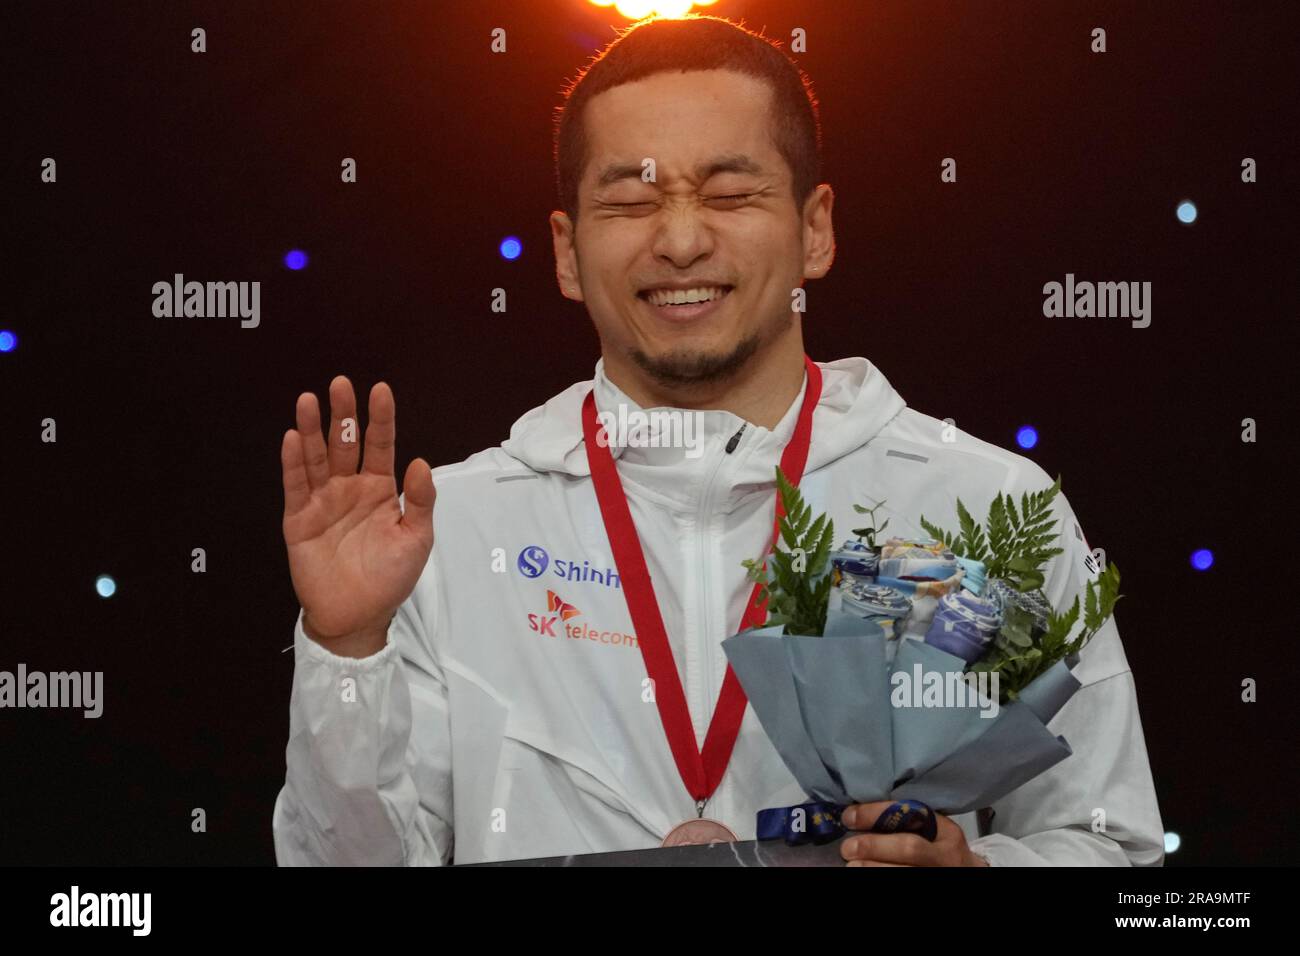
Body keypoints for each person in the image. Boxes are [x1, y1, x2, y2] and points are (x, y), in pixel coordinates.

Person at [272, 15, 1163, 867]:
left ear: (815, 228)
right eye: (630, 201)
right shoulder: (447, 534)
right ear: (566, 252)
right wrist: (346, 652)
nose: (683, 239)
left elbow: (1112, 846)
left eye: (732, 194)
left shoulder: (990, 506)